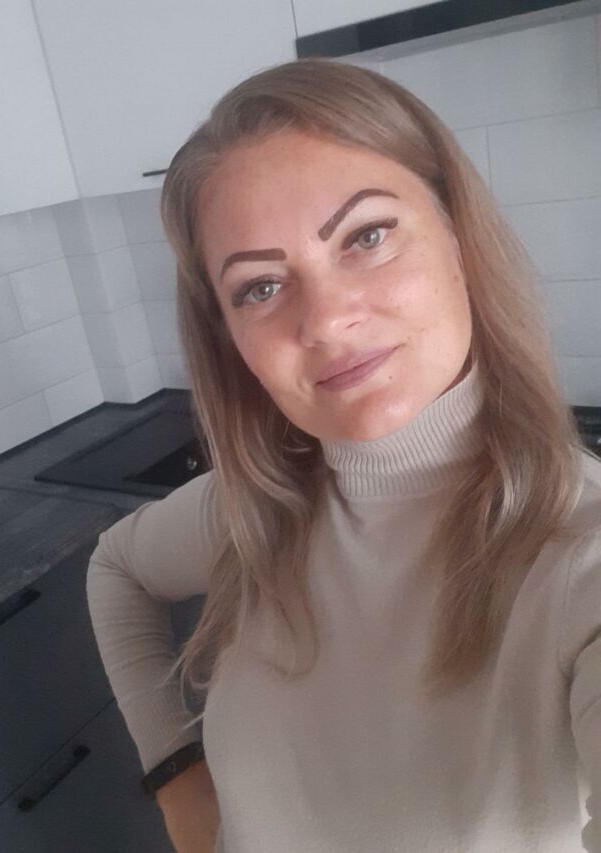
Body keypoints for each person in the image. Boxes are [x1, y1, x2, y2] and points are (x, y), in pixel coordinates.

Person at [86, 58, 601, 853]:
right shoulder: (250, 512)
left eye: (367, 237)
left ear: (457, 238)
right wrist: (177, 777)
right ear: (230, 338)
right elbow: (115, 568)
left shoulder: (581, 554)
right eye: (260, 287)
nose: (326, 319)